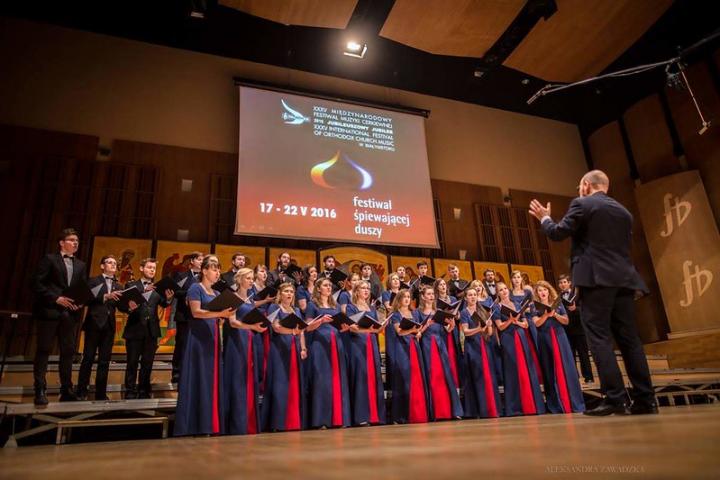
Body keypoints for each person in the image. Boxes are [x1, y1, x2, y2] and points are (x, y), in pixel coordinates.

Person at [529, 169, 656, 415]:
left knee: (599, 338)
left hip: (596, 280)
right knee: (631, 341)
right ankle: (646, 399)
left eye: (580, 185)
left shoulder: (583, 204)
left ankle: (615, 398)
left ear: (586, 185)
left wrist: (545, 218)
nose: (579, 190)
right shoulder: (624, 212)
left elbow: (557, 233)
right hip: (625, 280)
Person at [174, 256, 234, 436]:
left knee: (210, 378)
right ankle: (194, 424)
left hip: (213, 336)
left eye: (218, 270)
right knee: (199, 376)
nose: (217, 273)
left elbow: (218, 314)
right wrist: (219, 313)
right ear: (205, 271)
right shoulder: (195, 288)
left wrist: (225, 314)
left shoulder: (216, 294)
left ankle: (210, 423)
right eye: (214, 270)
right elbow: (196, 312)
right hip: (199, 337)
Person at [32, 228, 88, 405]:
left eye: (77, 240)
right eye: (71, 240)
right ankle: (40, 389)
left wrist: (81, 302)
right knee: (44, 350)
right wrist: (56, 298)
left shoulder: (81, 265)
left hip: (70, 315)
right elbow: (36, 283)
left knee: (68, 352)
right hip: (50, 311)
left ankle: (66, 389)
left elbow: (83, 287)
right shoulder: (50, 259)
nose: (75, 243)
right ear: (62, 243)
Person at [122, 257, 174, 399]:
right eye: (149, 267)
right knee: (132, 362)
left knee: (147, 363)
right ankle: (130, 390)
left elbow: (163, 304)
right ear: (141, 268)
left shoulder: (157, 288)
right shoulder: (131, 285)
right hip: (135, 329)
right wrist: (144, 290)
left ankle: (144, 389)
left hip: (151, 331)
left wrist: (168, 299)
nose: (152, 270)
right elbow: (125, 305)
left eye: (154, 268)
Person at [304, 278, 352, 428]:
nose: (328, 287)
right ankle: (322, 420)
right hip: (319, 345)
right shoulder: (312, 305)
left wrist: (344, 328)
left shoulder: (335, 305)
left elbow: (340, 326)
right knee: (322, 381)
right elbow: (307, 327)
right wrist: (321, 321)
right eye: (325, 285)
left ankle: (338, 419)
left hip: (336, 343)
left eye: (330, 285)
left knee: (337, 380)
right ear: (318, 288)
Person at [531, 281, 585, 414]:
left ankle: (573, 402)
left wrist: (555, 314)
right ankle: (556, 404)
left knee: (566, 367)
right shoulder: (534, 306)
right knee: (550, 370)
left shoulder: (558, 303)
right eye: (540, 291)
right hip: (545, 338)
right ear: (537, 294)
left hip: (560, 337)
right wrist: (546, 315)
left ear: (549, 291)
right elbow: (536, 324)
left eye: (545, 290)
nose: (543, 292)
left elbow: (566, 321)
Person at [492, 282, 546, 416]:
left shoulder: (516, 304)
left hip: (521, 337)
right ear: (497, 293)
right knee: (513, 370)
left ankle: (532, 404)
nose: (504, 291)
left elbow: (526, 324)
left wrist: (518, 322)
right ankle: (515, 407)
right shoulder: (496, 307)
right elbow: (500, 327)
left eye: (505, 289)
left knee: (526, 368)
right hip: (508, 339)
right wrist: (511, 321)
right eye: (501, 290)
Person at [224, 268, 266, 435]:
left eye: (251, 278)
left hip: (249, 339)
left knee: (248, 377)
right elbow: (233, 322)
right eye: (248, 278)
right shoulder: (233, 297)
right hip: (236, 341)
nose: (251, 281)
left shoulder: (250, 299)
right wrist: (252, 326)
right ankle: (236, 423)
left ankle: (248, 422)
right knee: (237, 378)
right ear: (240, 279)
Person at [76, 255, 122, 401]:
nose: (113, 265)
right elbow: (86, 299)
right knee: (88, 358)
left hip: (109, 325)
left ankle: (100, 393)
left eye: (115, 263)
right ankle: (81, 390)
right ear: (102, 266)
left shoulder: (119, 285)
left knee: (104, 361)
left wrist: (130, 306)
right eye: (109, 262)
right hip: (94, 323)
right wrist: (106, 297)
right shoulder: (93, 280)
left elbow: (120, 305)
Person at [262, 283, 307, 431]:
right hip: (279, 348)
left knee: (294, 383)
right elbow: (276, 327)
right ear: (280, 294)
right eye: (286, 291)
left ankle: (293, 421)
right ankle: (278, 422)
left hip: (294, 348)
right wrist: (292, 333)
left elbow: (301, 331)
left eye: (291, 292)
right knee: (280, 384)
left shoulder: (296, 310)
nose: (289, 294)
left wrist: (303, 347)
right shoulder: (274, 308)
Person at [415, 286, 463, 420]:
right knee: (433, 376)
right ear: (423, 296)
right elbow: (417, 333)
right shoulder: (417, 313)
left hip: (440, 344)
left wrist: (452, 325)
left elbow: (447, 330)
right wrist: (427, 325)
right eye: (428, 294)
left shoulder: (439, 311)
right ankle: (437, 412)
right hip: (427, 345)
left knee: (445, 375)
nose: (431, 296)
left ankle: (452, 411)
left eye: (432, 294)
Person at [345, 281, 386, 426]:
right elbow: (352, 328)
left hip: (371, 342)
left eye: (368, 288)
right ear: (356, 291)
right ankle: (361, 416)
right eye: (363, 288)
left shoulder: (371, 308)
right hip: (358, 344)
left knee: (373, 376)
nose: (366, 290)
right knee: (361, 377)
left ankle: (375, 416)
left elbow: (375, 327)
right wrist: (372, 330)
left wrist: (380, 327)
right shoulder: (351, 307)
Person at [388, 290, 430, 424]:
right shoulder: (395, 314)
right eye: (404, 297)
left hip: (414, 346)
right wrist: (413, 331)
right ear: (399, 299)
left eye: (408, 297)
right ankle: (402, 415)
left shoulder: (415, 313)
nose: (407, 299)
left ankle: (418, 413)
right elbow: (399, 332)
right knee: (404, 379)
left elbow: (418, 330)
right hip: (402, 348)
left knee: (416, 378)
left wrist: (419, 333)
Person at [459, 286, 501, 418]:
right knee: (476, 377)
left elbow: (489, 333)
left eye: (474, 295)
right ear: (466, 298)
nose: (472, 297)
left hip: (484, 345)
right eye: (470, 295)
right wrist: (478, 329)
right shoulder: (465, 312)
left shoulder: (482, 310)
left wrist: (488, 327)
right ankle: (479, 410)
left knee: (488, 375)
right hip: (472, 346)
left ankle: (491, 408)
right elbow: (465, 332)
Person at [171, 251, 203, 384]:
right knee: (181, 344)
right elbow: (175, 291)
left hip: (200, 316)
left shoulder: (204, 277)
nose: (202, 262)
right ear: (192, 261)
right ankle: (177, 373)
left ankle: (194, 371)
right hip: (184, 315)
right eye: (200, 259)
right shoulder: (181, 275)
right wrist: (190, 294)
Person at [558, 274, 594, 383]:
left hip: (579, 328)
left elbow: (585, 308)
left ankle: (588, 377)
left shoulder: (577, 294)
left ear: (569, 283)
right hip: (566, 329)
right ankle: (574, 377)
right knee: (570, 354)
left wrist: (576, 308)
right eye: (560, 283)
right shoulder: (558, 297)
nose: (563, 284)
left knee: (583, 354)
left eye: (565, 282)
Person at [510, 270, 543, 385]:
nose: (517, 279)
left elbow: (533, 306)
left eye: (518, 277)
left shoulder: (528, 292)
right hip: (517, 322)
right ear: (511, 280)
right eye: (514, 277)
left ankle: (539, 375)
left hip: (529, 319)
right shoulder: (509, 293)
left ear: (521, 279)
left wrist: (527, 309)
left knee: (535, 345)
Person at [433, 278, 463, 392]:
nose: (443, 286)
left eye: (444, 284)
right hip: (442, 328)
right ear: (437, 288)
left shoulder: (453, 299)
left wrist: (457, 315)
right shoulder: (435, 301)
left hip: (453, 327)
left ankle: (457, 381)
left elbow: (458, 315)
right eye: (440, 285)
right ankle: (448, 381)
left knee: (455, 352)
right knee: (446, 353)